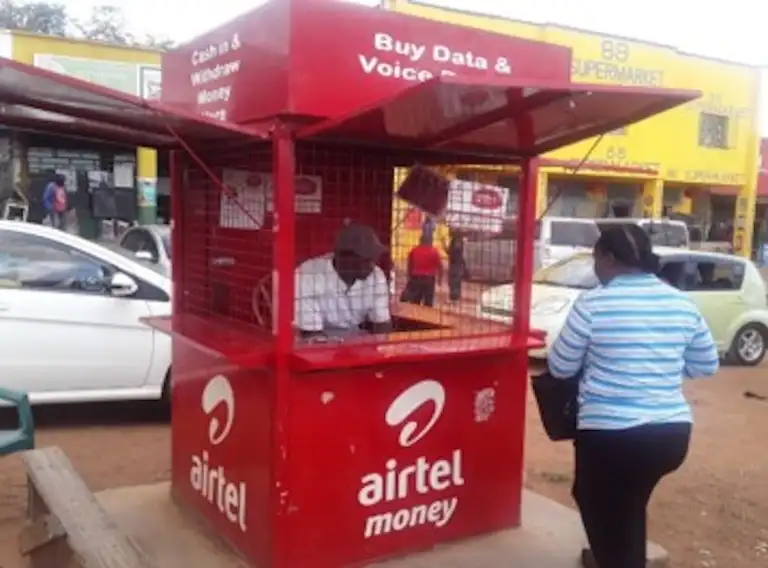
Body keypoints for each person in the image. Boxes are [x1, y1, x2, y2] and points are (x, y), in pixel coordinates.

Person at [546, 225, 719, 568]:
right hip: (670, 436)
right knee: (628, 502)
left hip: (610, 436)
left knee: (596, 500)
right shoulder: (681, 302)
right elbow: (706, 364)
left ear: (609, 258)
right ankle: (615, 557)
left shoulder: (594, 302)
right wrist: (660, 368)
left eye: (596, 260)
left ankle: (615, 560)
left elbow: (561, 366)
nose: (596, 268)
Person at [294, 223, 392, 340]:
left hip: (357, 340)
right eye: (365, 259)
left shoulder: (376, 276)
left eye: (373, 258)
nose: (371, 265)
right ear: (341, 256)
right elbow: (310, 335)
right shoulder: (307, 275)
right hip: (315, 341)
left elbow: (381, 325)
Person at [401, 233, 443, 307]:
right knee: (428, 303)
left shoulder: (414, 251)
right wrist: (440, 279)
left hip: (416, 279)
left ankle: (415, 313)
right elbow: (440, 266)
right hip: (429, 280)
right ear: (430, 241)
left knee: (415, 302)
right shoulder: (434, 252)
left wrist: (409, 277)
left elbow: (410, 265)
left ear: (420, 241)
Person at [443, 229, 465, 302]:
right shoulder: (456, 240)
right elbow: (450, 252)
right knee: (454, 281)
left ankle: (455, 298)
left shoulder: (457, 240)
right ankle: (454, 297)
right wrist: (444, 245)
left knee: (454, 281)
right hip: (455, 264)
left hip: (456, 264)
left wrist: (445, 246)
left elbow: (453, 252)